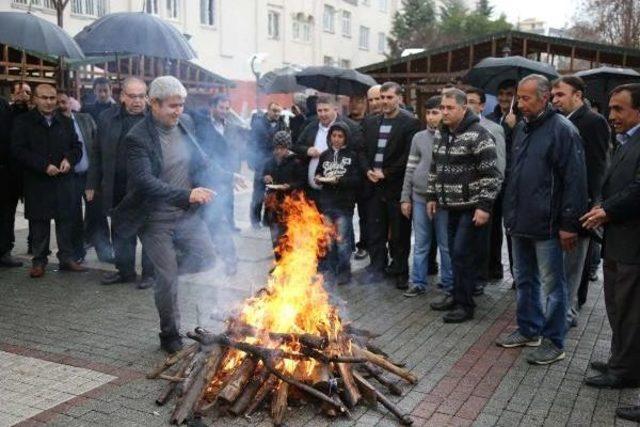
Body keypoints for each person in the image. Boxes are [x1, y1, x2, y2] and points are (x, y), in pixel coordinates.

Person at [111, 76, 217, 354]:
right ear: (153, 103)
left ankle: (166, 271)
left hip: (186, 216)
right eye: (172, 106)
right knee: (168, 280)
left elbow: (202, 159)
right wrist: (186, 195)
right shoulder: (137, 137)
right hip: (154, 219)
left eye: (181, 105)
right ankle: (169, 333)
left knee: (207, 258)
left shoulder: (186, 124)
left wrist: (229, 176)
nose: (178, 111)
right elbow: (145, 181)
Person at [497, 75, 588, 365]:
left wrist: (568, 224)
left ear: (545, 97)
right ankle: (529, 329)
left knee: (553, 286)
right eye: (518, 97)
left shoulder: (563, 130)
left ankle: (553, 341)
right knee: (523, 279)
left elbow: (575, 181)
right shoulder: (523, 127)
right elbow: (515, 174)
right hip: (520, 221)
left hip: (548, 225)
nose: (520, 103)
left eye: (526, 98)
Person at [581, 83, 640, 389]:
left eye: (619, 108)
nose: (611, 114)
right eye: (610, 108)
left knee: (630, 311)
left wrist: (607, 209)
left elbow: (637, 189)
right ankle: (622, 359)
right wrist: (601, 204)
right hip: (617, 241)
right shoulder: (623, 141)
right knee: (617, 306)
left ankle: (626, 370)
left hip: (633, 245)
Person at [426, 89, 501, 323]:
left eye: (450, 108)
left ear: (463, 109)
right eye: (443, 108)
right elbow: (434, 168)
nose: (444, 112)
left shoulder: (480, 135)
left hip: (471, 207)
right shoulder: (441, 133)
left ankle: (465, 305)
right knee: (452, 254)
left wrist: (484, 206)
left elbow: (492, 175)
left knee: (462, 255)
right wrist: (431, 196)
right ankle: (455, 295)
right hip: (449, 206)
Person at [11, 84, 87, 278]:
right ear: (35, 99)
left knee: (65, 221)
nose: (49, 102)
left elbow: (77, 147)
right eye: (44, 98)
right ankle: (39, 261)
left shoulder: (66, 121)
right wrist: (43, 165)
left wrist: (69, 160)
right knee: (39, 223)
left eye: (52, 98)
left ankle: (66, 258)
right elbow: (18, 150)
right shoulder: (23, 122)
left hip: (63, 181)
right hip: (38, 181)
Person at [551, 76, 610, 327]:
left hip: (579, 208)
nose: (555, 100)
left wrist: (590, 205)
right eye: (553, 95)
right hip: (558, 205)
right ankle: (562, 310)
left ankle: (567, 313)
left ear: (577, 95)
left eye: (560, 95)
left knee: (572, 268)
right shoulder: (557, 121)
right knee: (560, 268)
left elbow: (597, 167)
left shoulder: (593, 121)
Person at [86, 77, 154, 288]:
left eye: (142, 96)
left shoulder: (154, 120)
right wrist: (91, 183)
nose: (137, 101)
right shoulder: (107, 118)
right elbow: (96, 153)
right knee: (120, 230)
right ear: (122, 96)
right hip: (116, 186)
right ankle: (125, 271)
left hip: (145, 187)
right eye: (132, 96)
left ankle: (149, 275)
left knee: (148, 231)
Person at [361, 82, 421, 288]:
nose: (384, 101)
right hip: (372, 186)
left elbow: (409, 157)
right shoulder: (370, 122)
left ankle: (400, 271)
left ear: (399, 99)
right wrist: (367, 169)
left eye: (388, 97)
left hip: (395, 187)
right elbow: (361, 150)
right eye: (382, 97)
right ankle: (377, 268)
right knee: (375, 231)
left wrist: (385, 173)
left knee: (399, 233)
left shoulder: (410, 123)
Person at [400, 96, 453, 297]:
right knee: (421, 243)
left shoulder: (452, 136)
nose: (431, 117)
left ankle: (448, 283)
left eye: (435, 112)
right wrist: (405, 198)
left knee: (445, 244)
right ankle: (418, 282)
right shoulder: (418, 138)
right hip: (419, 197)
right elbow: (410, 168)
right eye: (428, 113)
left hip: (443, 200)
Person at [56, 91, 108, 263]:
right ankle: (78, 253)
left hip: (89, 175)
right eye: (57, 102)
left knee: (98, 215)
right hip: (69, 178)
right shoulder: (55, 124)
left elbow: (98, 144)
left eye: (63, 101)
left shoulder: (85, 119)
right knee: (74, 216)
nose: (60, 105)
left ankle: (105, 252)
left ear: (70, 102)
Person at [194, 94, 243, 276]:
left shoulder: (230, 127)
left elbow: (234, 151)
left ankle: (230, 260)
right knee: (203, 221)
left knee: (218, 220)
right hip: (203, 179)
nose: (224, 111)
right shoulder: (201, 125)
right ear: (212, 107)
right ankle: (203, 257)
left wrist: (232, 174)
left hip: (223, 180)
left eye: (226, 108)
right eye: (221, 108)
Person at [466, 87, 506, 295]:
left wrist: (492, 192)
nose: (469, 105)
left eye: (473, 101)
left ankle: (482, 276)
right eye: (466, 101)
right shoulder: (457, 128)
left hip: (486, 193)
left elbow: (499, 163)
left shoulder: (492, 128)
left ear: (482, 105)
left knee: (485, 237)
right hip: (463, 195)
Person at [314, 123, 363, 286]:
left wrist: (339, 181)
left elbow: (357, 180)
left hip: (344, 205)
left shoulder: (352, 156)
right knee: (329, 240)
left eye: (340, 136)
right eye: (334, 136)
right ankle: (331, 270)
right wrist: (318, 179)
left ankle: (344, 271)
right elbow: (318, 174)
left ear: (346, 138)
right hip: (326, 204)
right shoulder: (325, 155)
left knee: (342, 241)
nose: (336, 139)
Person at [293, 95, 363, 203]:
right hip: (312, 190)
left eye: (326, 110)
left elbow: (358, 154)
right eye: (319, 111)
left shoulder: (351, 127)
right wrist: (307, 150)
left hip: (339, 194)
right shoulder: (311, 126)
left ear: (335, 109)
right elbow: (297, 146)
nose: (322, 114)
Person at [486, 79, 519, 286]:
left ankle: (517, 273)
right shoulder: (490, 118)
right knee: (491, 228)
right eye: (501, 93)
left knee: (511, 229)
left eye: (509, 93)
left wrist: (512, 128)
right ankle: (493, 267)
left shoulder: (520, 119)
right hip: (491, 178)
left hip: (512, 181)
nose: (504, 98)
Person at [0, 82, 32, 264]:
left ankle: (4, 250)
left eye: (27, 92)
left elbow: (17, 129)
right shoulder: (4, 106)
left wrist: (21, 106)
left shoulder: (13, 109)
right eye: (20, 91)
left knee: (6, 214)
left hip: (8, 175)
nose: (24, 94)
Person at [262, 131, 306, 254]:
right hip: (273, 203)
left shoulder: (296, 162)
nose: (278, 151)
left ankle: (290, 262)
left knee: (288, 235)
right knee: (275, 236)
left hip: (290, 204)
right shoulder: (270, 161)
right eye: (276, 148)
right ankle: (279, 263)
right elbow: (263, 177)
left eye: (281, 148)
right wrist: (265, 177)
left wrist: (290, 186)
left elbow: (302, 182)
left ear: (287, 148)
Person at [249, 102, 286, 229]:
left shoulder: (282, 124)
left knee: (272, 192)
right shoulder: (258, 123)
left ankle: (267, 219)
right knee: (258, 193)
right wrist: (252, 161)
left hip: (275, 162)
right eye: (274, 110)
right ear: (268, 110)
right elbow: (252, 143)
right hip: (260, 162)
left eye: (278, 111)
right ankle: (255, 220)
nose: (276, 113)